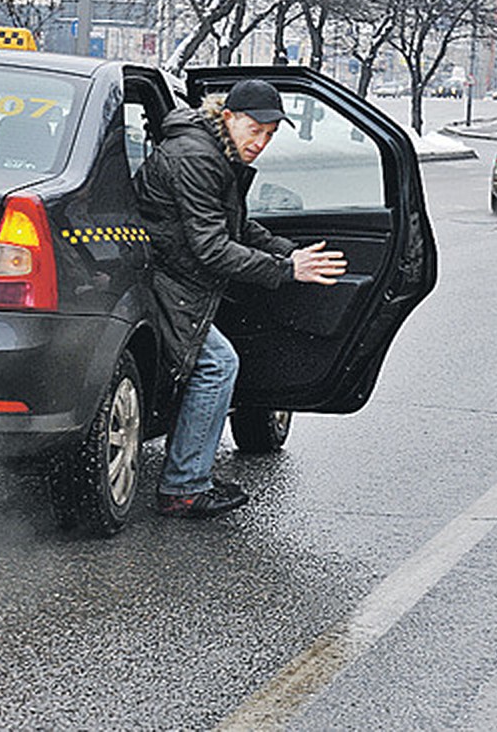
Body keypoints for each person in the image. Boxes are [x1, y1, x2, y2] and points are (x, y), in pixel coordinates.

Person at [134, 80, 347, 519]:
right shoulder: (197, 158)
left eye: (270, 134)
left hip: (176, 274)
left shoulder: (215, 150)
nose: (261, 142)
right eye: (255, 129)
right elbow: (211, 247)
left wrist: (288, 252)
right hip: (163, 279)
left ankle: (186, 475)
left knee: (213, 362)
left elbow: (237, 228)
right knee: (217, 364)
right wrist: (286, 271)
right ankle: (183, 488)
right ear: (228, 117)